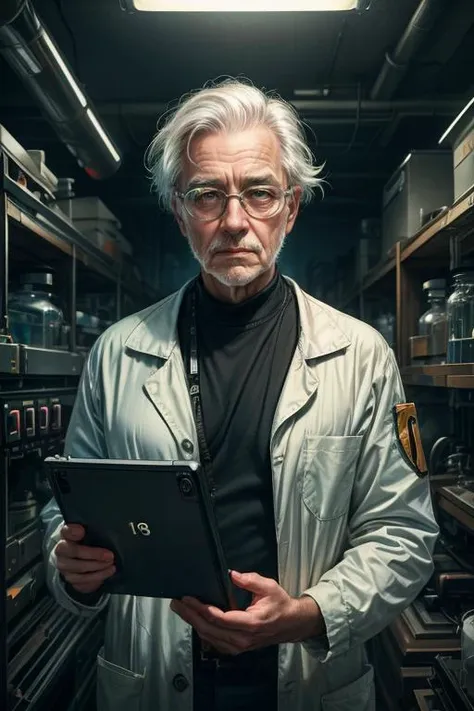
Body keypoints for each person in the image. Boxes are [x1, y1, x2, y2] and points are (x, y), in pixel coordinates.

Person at [41, 79, 439, 711]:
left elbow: (404, 533)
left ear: (292, 207)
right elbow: (65, 509)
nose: (233, 220)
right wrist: (73, 567)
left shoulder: (363, 357)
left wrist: (311, 613)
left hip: (306, 682)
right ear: (178, 210)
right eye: (206, 195)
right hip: (156, 677)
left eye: (258, 192)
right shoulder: (117, 353)